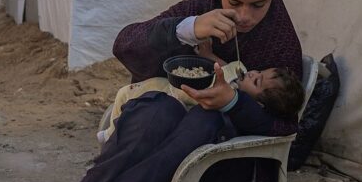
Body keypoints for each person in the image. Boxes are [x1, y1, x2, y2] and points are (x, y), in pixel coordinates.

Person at [38, 0, 303, 182]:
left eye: (258, 5)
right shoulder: (200, 9)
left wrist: (233, 103)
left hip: (221, 168)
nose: (244, 16)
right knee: (158, 107)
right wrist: (188, 28)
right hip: (164, 142)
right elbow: (125, 43)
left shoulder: (281, 41)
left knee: (207, 118)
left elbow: (287, 126)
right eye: (233, 2)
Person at [98, 65, 304, 143]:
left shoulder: (238, 109)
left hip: (180, 111)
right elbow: (220, 67)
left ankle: (112, 135)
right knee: (127, 93)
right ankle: (112, 132)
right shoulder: (237, 81)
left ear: (259, 105)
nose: (253, 73)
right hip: (176, 99)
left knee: (135, 94)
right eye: (259, 71)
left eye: (257, 81)